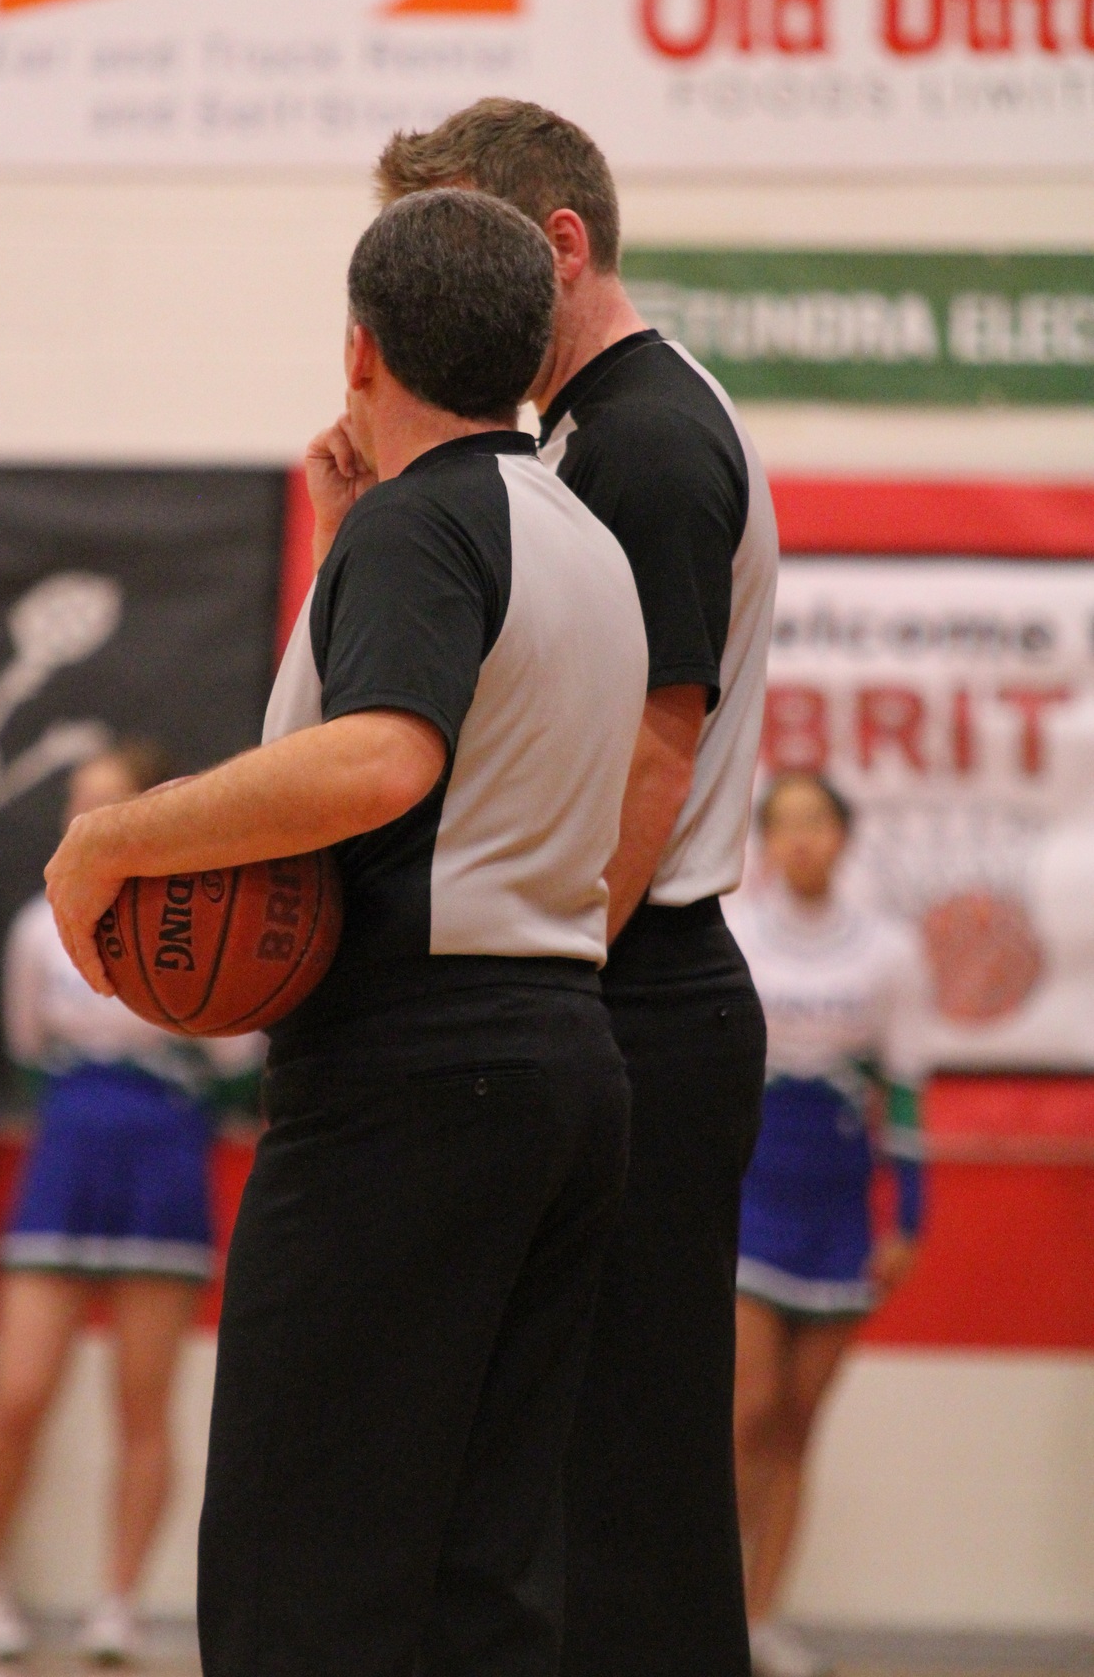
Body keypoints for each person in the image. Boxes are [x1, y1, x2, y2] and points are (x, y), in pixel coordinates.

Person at [45, 188, 650, 1677]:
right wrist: (340, 547)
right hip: (564, 1057)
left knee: (299, 1566)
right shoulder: (576, 532)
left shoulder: (422, 529)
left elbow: (383, 759)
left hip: (410, 1076)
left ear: (359, 349)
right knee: (477, 1577)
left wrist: (114, 835)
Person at [375, 99, 778, 1677]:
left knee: (633, 1487)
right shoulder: (584, 428)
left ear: (557, 244)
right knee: (562, 1474)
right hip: (619, 989)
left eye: (464, 242)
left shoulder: (645, 437)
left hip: (638, 990)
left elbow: (651, 756)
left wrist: (548, 989)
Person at [0, 741, 259, 1665]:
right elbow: (26, 1044)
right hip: (65, 1152)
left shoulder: (204, 914)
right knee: (17, 1393)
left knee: (142, 1402)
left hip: (163, 1156)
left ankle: (117, 1603)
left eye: (105, 800)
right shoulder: (34, 924)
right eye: (74, 800)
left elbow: (237, 1050)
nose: (82, 818)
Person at [726, 772, 926, 1677]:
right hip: (749, 1197)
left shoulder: (888, 951)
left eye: (816, 822)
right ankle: (706, 1607)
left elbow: (906, 1092)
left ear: (843, 836)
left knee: (798, 1424)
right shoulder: (735, 935)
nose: (801, 838)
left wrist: (907, 1220)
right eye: (784, 824)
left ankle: (761, 1617)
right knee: (746, 1410)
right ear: (764, 842)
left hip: (839, 1212)